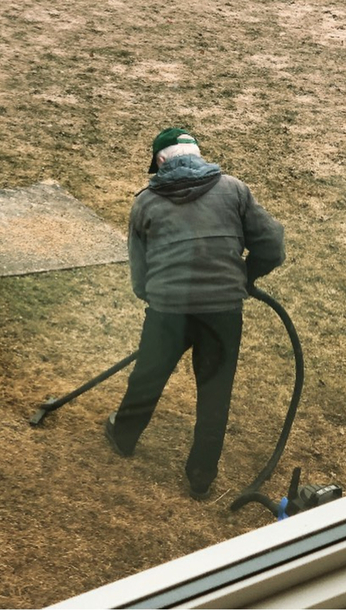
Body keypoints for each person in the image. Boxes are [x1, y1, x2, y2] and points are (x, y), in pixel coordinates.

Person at [105, 127, 285, 500]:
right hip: (223, 312)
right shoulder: (234, 190)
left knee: (147, 378)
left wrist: (157, 299)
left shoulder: (146, 204)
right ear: (198, 156)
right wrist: (243, 279)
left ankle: (123, 436)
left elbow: (140, 276)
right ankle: (201, 476)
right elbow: (272, 245)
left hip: (168, 311)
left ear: (159, 162)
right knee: (214, 391)